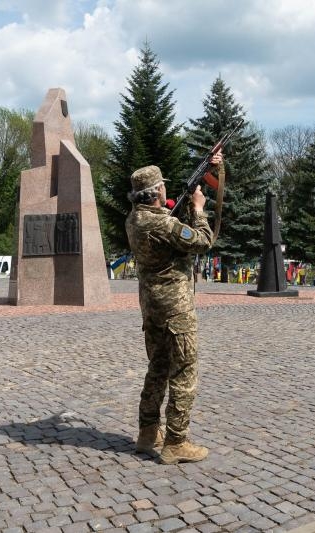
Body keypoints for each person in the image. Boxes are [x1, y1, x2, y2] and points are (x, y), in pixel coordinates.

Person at [126, 152, 222, 465]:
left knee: (157, 367)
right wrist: (198, 209)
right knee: (183, 370)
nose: (167, 192)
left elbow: (163, 222)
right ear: (156, 195)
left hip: (151, 308)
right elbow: (203, 241)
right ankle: (176, 441)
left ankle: (147, 431)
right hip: (175, 309)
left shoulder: (134, 219)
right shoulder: (164, 225)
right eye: (162, 188)